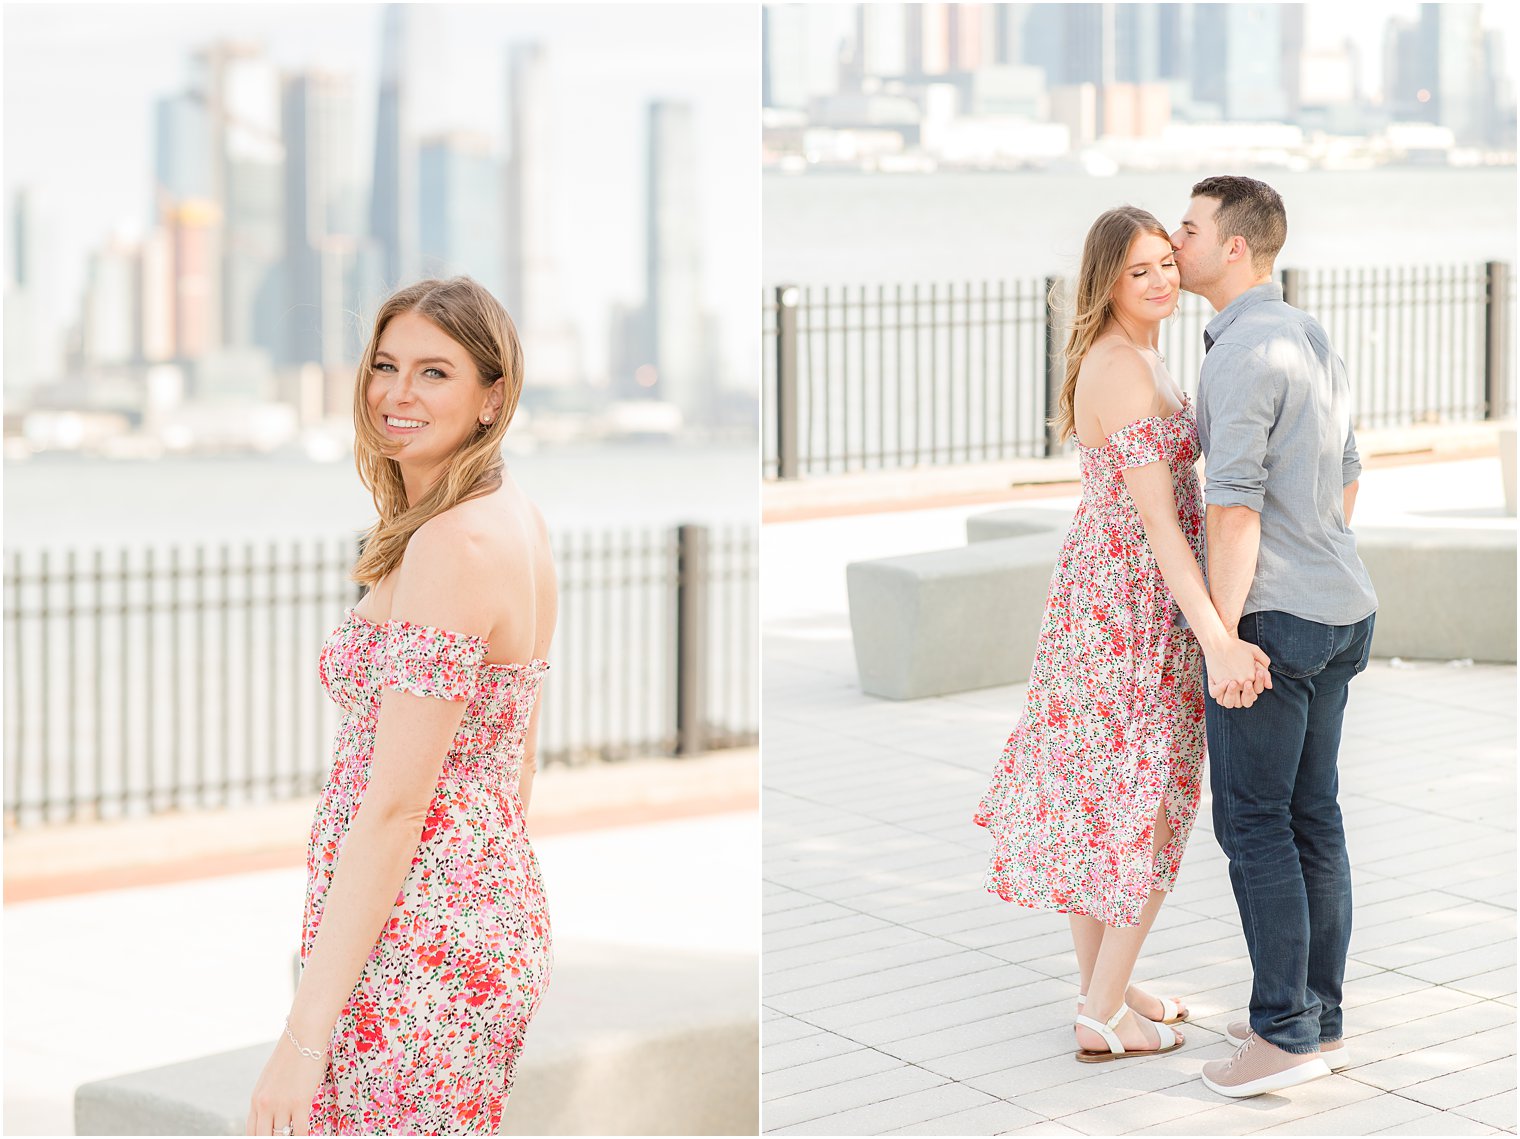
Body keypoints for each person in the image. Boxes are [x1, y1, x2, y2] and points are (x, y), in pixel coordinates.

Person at [246, 277, 558, 1135]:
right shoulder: (511, 516)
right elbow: (514, 759)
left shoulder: (451, 546)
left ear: (493, 396)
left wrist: (302, 1038)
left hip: (417, 943)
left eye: (434, 372)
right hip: (463, 917)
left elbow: (394, 806)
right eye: (386, 365)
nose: (396, 394)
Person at [975, 206, 1271, 1062]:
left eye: (1165, 264)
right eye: (1139, 271)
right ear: (1106, 280)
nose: (1161, 280)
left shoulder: (1140, 352)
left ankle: (1103, 984)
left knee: (1105, 796)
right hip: (1128, 613)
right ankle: (1102, 1013)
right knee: (1146, 801)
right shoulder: (1120, 367)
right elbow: (1163, 530)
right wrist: (1216, 635)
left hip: (1113, 603)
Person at [1171, 175, 1377, 1098]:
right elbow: (1347, 477)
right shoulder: (1307, 335)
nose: (1177, 241)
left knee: (1254, 823)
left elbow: (1232, 513)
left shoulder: (1240, 353)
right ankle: (1316, 1017)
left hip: (1276, 622)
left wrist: (1221, 635)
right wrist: (1313, 555)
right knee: (1311, 815)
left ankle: (1282, 1032)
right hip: (1341, 606)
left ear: (1236, 248)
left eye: (1189, 227)